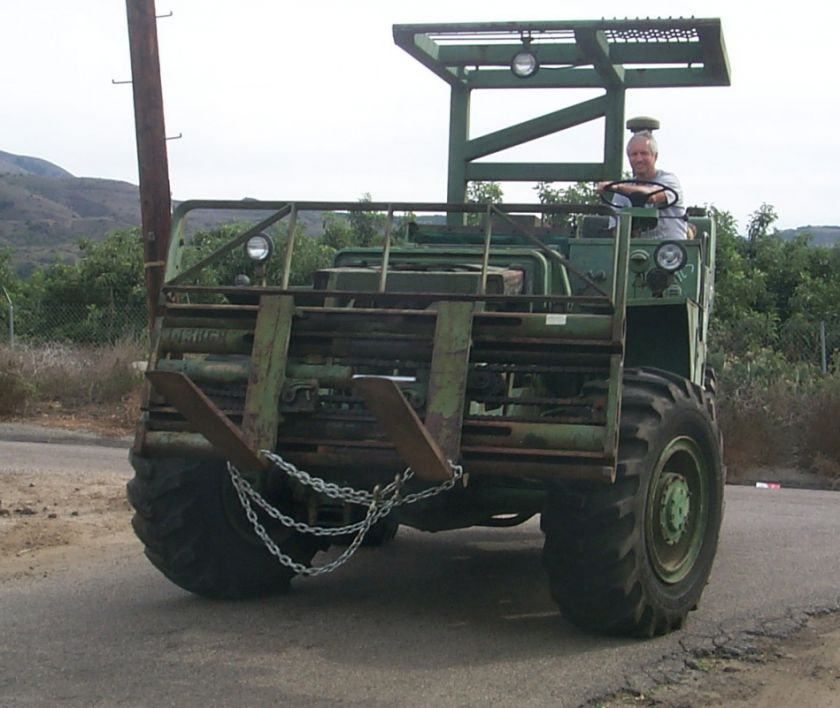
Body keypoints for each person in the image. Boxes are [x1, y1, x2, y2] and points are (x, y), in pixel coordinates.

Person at [599, 130, 688, 240]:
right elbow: (615, 229)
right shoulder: (621, 191)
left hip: (670, 252)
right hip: (634, 251)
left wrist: (616, 187)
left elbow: (651, 196)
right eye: (634, 154)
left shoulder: (669, 180)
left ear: (655, 156)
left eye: (644, 153)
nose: (639, 159)